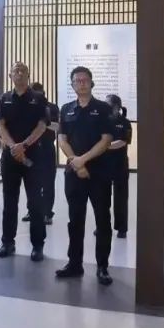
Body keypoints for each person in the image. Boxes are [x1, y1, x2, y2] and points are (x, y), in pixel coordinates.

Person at [56, 67, 116, 284]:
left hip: (99, 173)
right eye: (77, 80)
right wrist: (75, 161)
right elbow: (62, 139)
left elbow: (106, 140)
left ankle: (102, 267)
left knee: (103, 220)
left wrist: (83, 160)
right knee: (75, 220)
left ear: (91, 83)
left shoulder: (103, 108)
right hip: (74, 173)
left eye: (85, 80)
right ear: (72, 85)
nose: (81, 83)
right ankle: (74, 263)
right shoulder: (66, 109)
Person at [0, 61, 49, 261]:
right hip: (10, 157)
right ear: (10, 76)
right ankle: (7, 242)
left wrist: (24, 146)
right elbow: (0, 126)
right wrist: (14, 147)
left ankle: (38, 245)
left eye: (23, 71)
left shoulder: (38, 98)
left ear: (28, 75)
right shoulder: (4, 99)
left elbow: (42, 126)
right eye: (15, 71)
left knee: (35, 202)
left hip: (33, 156)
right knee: (9, 202)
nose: (19, 73)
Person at [24, 82, 60, 225]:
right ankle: (32, 210)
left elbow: (57, 126)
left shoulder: (51, 107)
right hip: (30, 149)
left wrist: (44, 122)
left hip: (47, 149)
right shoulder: (26, 107)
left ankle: (47, 213)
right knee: (31, 182)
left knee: (48, 182)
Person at [104, 94, 132, 239]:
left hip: (120, 165)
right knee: (102, 198)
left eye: (110, 105)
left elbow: (123, 141)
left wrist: (104, 146)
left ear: (118, 107)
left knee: (121, 198)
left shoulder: (125, 123)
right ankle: (103, 226)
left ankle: (122, 228)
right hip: (104, 164)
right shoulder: (102, 121)